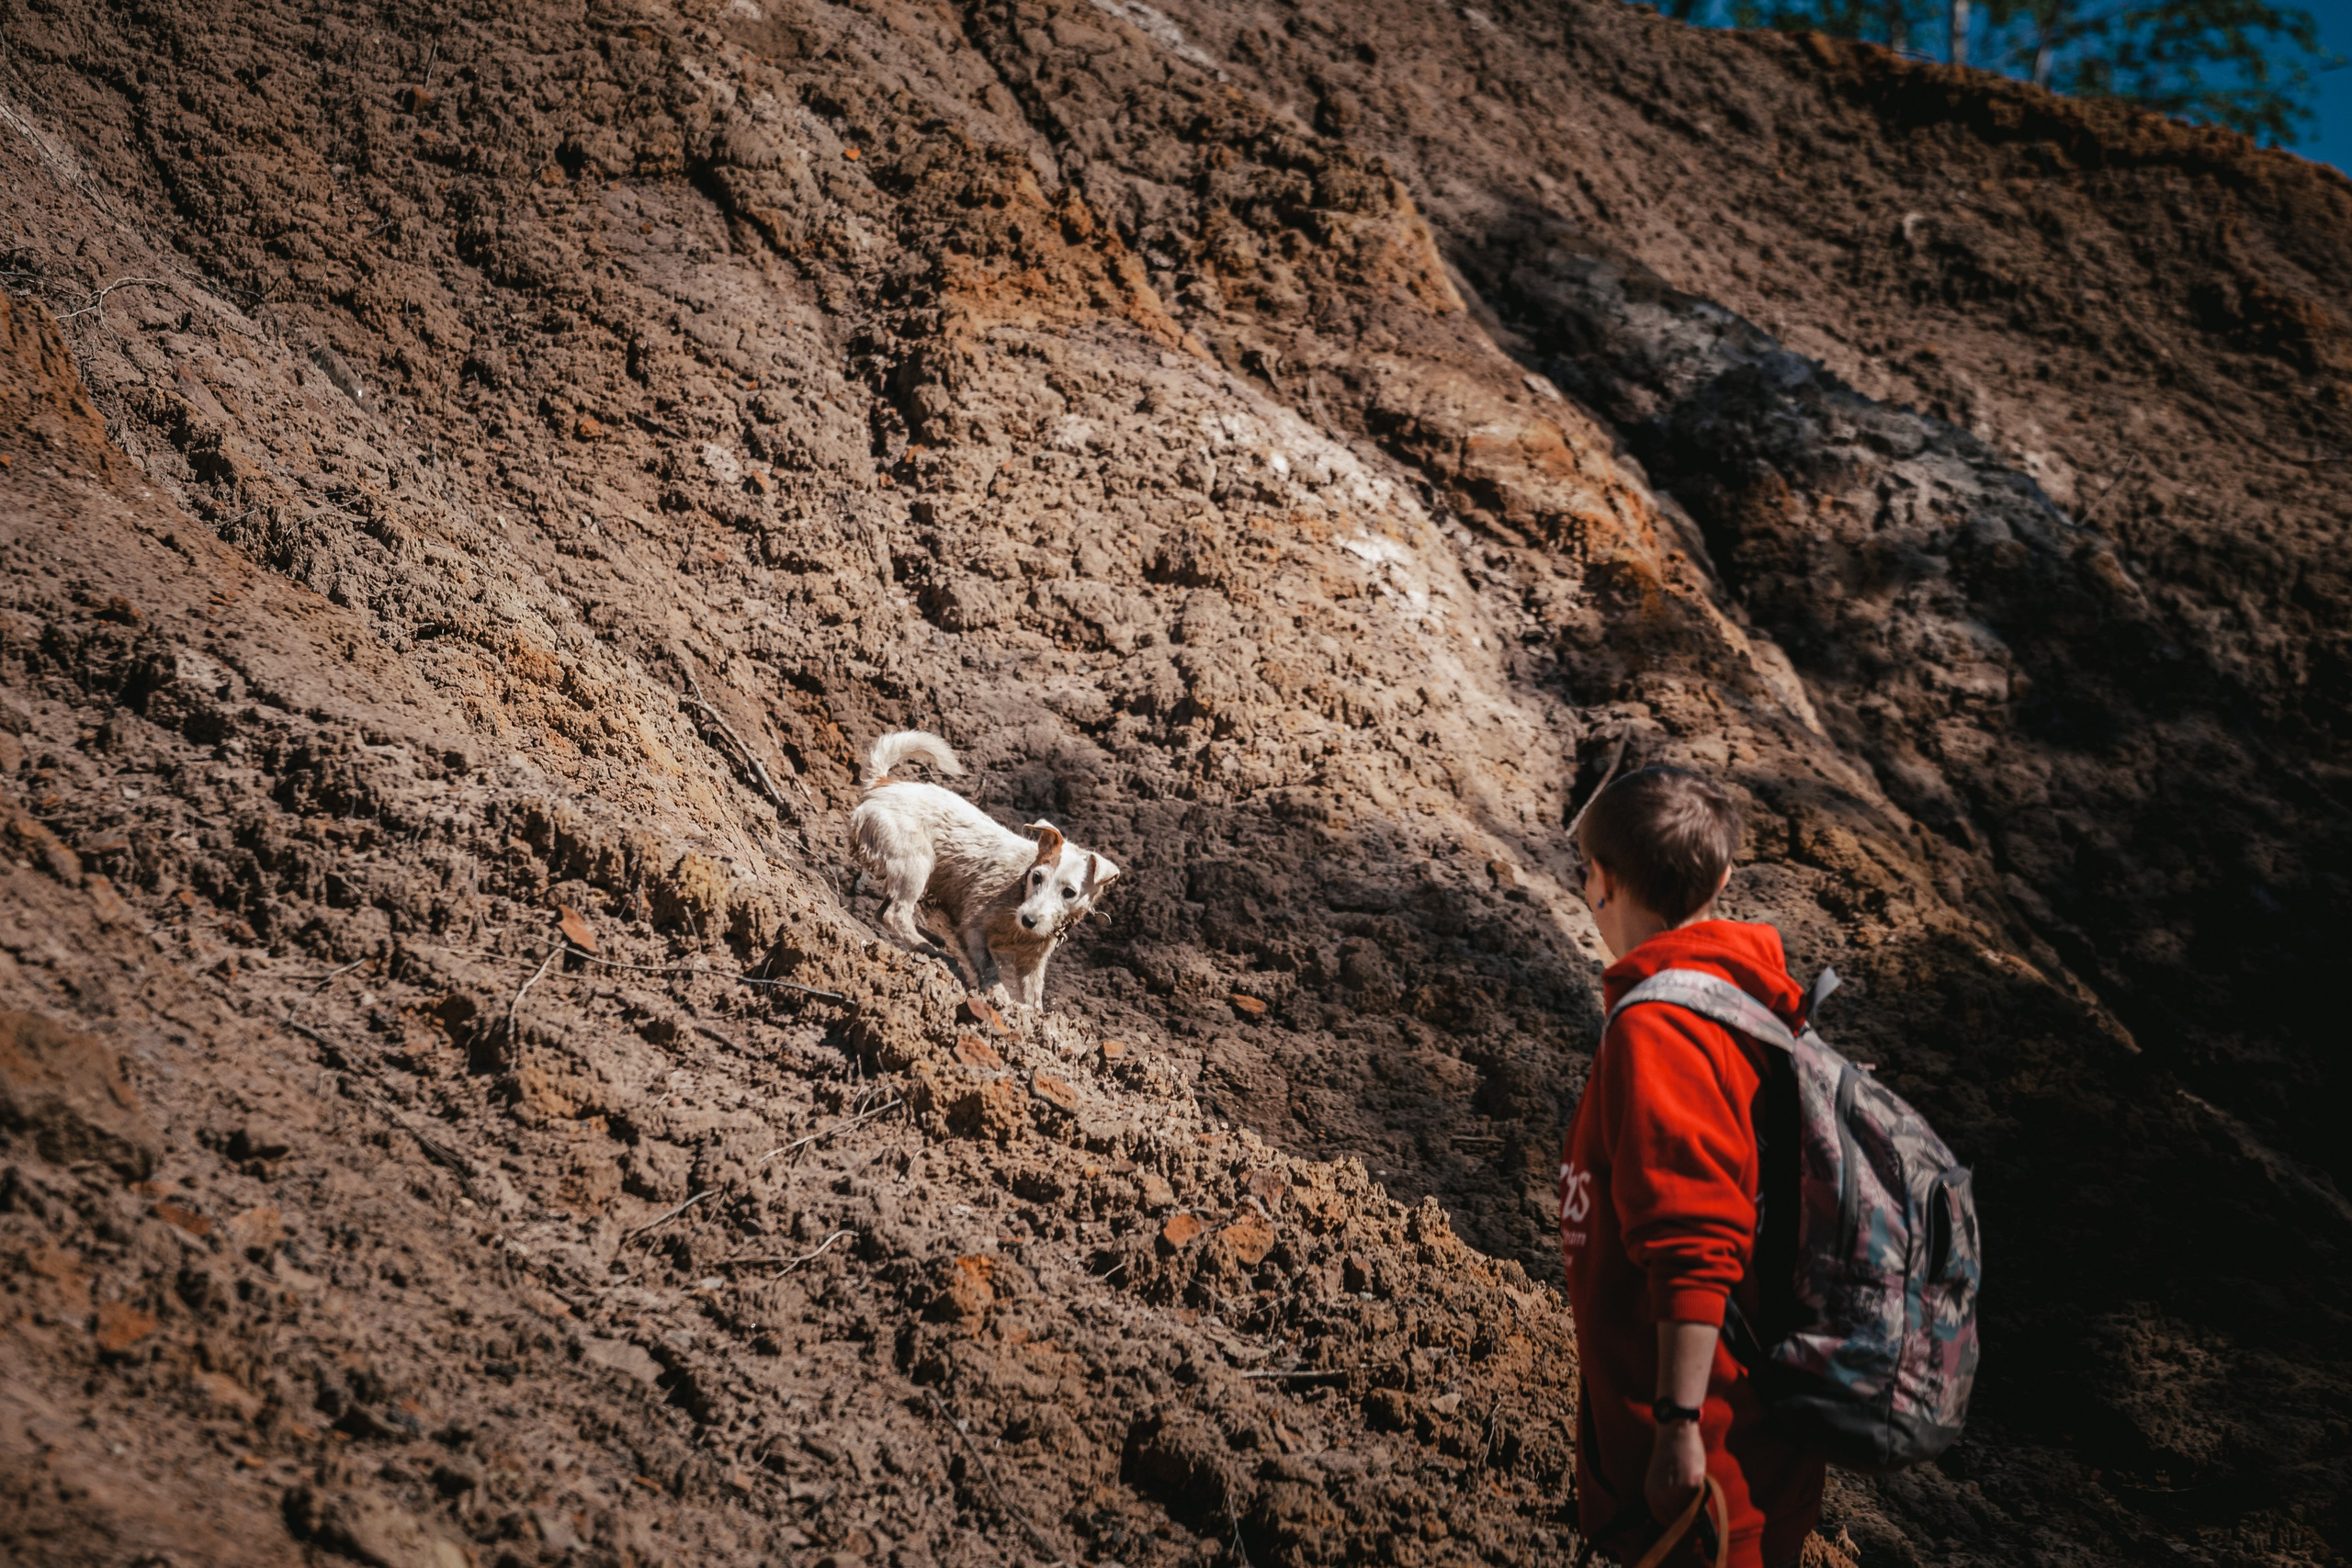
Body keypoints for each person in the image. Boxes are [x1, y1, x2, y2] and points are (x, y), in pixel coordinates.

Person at [1558, 765, 1825, 1568]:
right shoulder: (1747, 1003)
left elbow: (1695, 1239)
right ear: (1724, 878)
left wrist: (1676, 1429)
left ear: (1601, 881)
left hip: (1703, 1467)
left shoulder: (1663, 1028)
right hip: (1754, 1441)